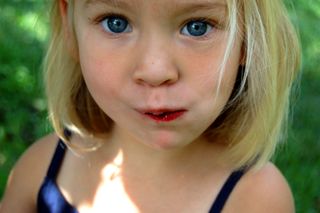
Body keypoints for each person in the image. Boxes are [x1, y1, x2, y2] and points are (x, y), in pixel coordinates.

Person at [0, 0, 300, 212]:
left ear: (248, 39)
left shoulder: (256, 199)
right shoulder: (41, 169)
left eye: (197, 26)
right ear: (70, 26)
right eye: (116, 23)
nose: (155, 71)